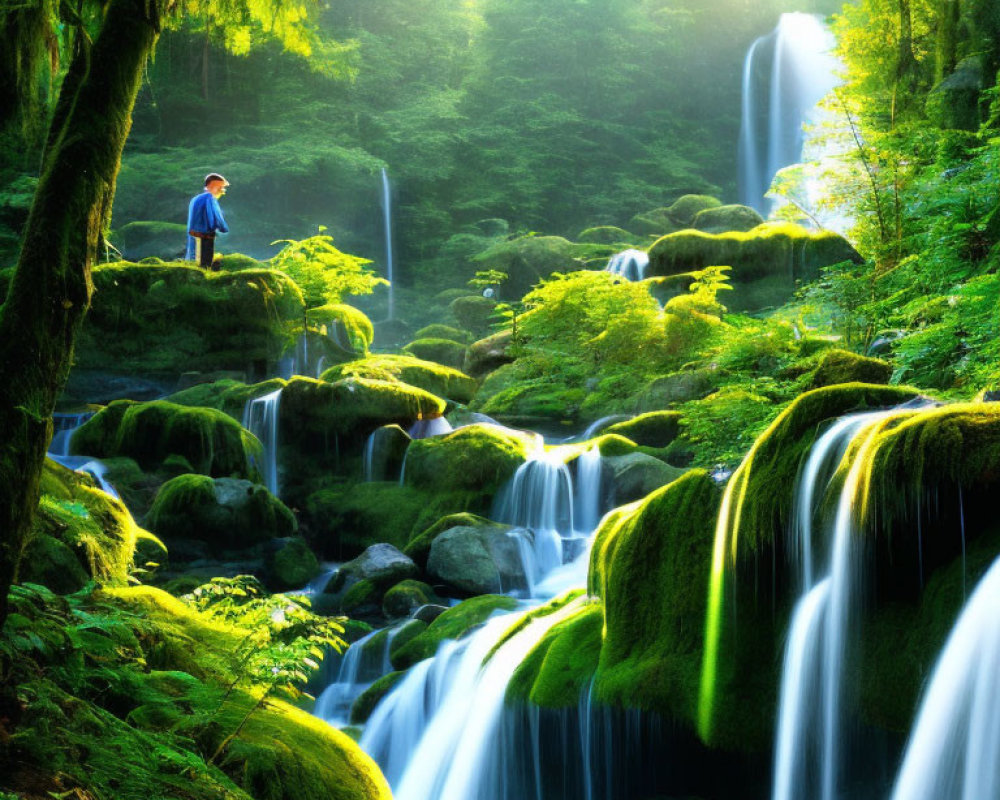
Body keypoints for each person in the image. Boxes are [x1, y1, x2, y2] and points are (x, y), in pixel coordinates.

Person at [186, 173, 230, 269]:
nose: (222, 191)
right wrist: (222, 227)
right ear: (211, 186)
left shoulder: (196, 198)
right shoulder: (209, 198)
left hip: (195, 233)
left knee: (195, 256)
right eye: (220, 187)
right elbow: (215, 215)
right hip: (204, 234)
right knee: (204, 260)